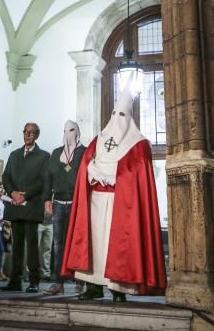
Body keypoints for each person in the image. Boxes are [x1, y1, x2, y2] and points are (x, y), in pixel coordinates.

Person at [61, 78, 167, 302]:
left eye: (121, 115)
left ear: (129, 116)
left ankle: (118, 288)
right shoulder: (98, 140)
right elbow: (86, 162)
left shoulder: (139, 144)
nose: (116, 119)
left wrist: (112, 177)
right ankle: (93, 287)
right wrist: (91, 171)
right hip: (96, 201)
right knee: (94, 244)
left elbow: (138, 175)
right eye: (113, 114)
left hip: (121, 205)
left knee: (116, 245)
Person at [0, 122, 50, 293]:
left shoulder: (44, 156)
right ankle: (15, 280)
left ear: (37, 135)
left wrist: (25, 196)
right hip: (15, 205)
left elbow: (43, 181)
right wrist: (13, 193)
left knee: (32, 245)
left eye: (31, 132)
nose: (27, 135)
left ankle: (34, 281)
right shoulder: (14, 154)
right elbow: (6, 177)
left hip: (31, 206)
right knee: (17, 245)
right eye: (25, 132)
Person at [43, 120, 86, 296]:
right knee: (58, 245)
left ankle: (79, 282)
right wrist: (47, 198)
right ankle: (58, 283)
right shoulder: (56, 153)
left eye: (72, 130)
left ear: (78, 132)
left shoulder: (84, 152)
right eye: (66, 130)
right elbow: (47, 177)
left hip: (78, 204)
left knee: (78, 243)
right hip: (59, 204)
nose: (69, 134)